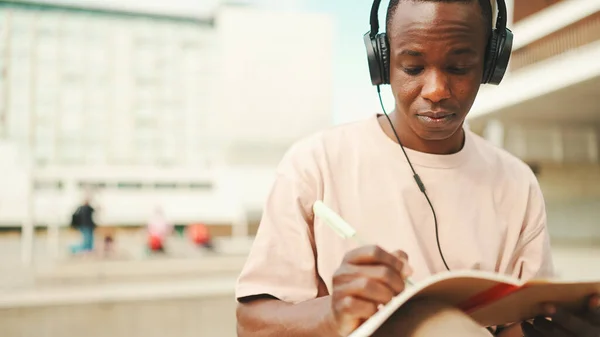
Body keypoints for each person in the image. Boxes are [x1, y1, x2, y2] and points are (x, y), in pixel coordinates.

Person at [234, 0, 600, 336]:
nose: (437, 89)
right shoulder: (315, 164)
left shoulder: (517, 182)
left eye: (459, 67)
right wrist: (332, 313)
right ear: (382, 62)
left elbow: (516, 325)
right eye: (413, 67)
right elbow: (251, 324)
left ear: (491, 65)